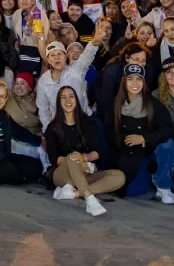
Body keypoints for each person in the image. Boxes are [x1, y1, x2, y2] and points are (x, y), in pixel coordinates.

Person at [45, 85, 125, 216]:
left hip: (85, 173)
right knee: (72, 157)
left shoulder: (88, 123)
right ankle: (89, 198)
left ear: (76, 100)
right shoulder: (52, 128)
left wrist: (84, 158)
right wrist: (77, 162)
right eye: (63, 97)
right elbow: (54, 159)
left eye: (71, 96)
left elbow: (97, 152)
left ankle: (75, 193)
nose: (68, 100)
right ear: (59, 102)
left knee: (119, 176)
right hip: (63, 175)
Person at [107, 63, 174, 200]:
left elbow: (169, 128)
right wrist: (123, 141)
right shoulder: (116, 103)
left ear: (144, 83)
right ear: (124, 82)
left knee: (169, 144)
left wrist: (144, 138)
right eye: (130, 78)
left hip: (149, 152)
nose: (135, 83)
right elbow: (110, 130)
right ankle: (149, 174)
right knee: (131, 191)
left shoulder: (152, 103)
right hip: (129, 154)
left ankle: (162, 184)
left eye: (139, 79)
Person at [36, 21, 106, 132]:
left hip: (84, 121)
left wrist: (96, 40)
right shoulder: (43, 80)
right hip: (60, 127)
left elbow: (87, 56)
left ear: (65, 56)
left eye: (59, 54)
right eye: (52, 55)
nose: (56, 57)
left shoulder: (76, 69)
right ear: (48, 60)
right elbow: (44, 110)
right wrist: (48, 132)